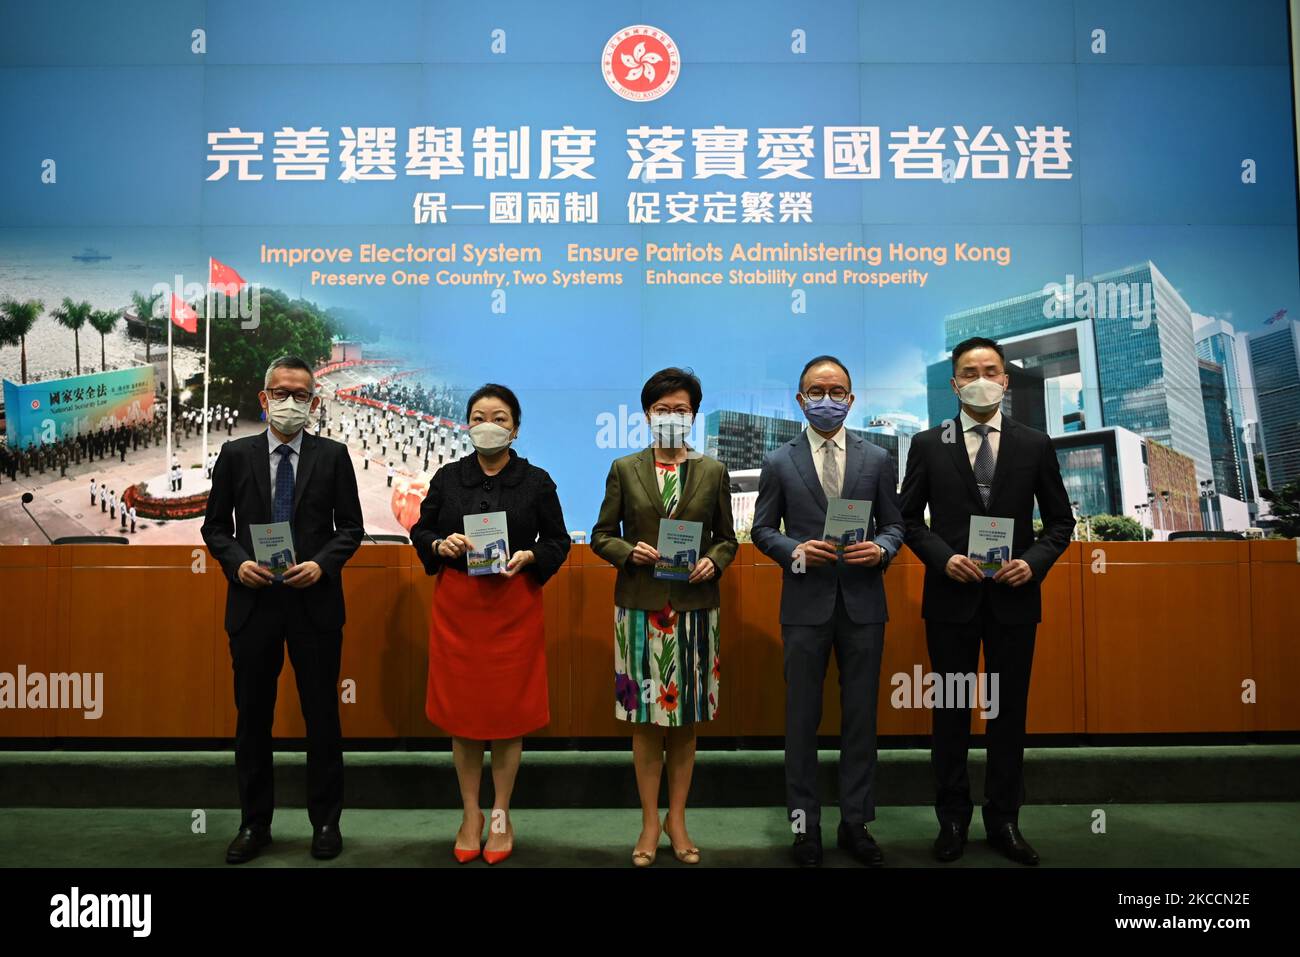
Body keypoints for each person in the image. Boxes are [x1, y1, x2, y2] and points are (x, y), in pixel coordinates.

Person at [900, 336, 1074, 866]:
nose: (980, 378)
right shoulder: (930, 444)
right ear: (955, 383)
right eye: (969, 371)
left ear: (1005, 380)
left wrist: (1035, 562)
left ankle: (1005, 821)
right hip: (951, 598)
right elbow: (906, 520)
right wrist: (941, 557)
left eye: (990, 370)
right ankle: (952, 820)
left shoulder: (1034, 443)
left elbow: (1061, 522)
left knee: (1009, 715)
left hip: (1013, 600)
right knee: (950, 712)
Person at [201, 355, 364, 864]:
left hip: (313, 604)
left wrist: (322, 565)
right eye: (281, 392)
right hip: (253, 605)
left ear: (314, 402)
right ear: (263, 397)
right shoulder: (234, 453)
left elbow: (350, 528)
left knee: (322, 718)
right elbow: (215, 529)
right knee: (253, 719)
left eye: (300, 394)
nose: (290, 403)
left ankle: (325, 823)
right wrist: (236, 563)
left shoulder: (334, 456)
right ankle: (254, 824)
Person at [751, 356, 904, 868]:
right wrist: (794, 549)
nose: (827, 399)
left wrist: (881, 549)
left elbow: (897, 525)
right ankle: (805, 828)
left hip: (864, 606)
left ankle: (856, 825)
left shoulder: (878, 459)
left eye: (837, 390)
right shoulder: (777, 462)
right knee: (801, 720)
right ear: (800, 399)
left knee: (861, 720)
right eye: (816, 391)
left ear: (852, 399)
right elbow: (762, 530)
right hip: (804, 605)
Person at [409, 383, 569, 864]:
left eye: (499, 417)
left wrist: (531, 554)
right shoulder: (448, 477)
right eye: (479, 415)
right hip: (459, 606)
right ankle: (470, 813)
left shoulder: (537, 480)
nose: (488, 424)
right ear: (466, 424)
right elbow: (422, 528)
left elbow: (558, 541)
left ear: (515, 428)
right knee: (464, 716)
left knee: (506, 716)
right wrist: (439, 546)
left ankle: (500, 812)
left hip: (513, 604)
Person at [591, 368, 738, 867]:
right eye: (662, 409)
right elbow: (601, 534)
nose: (671, 417)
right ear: (647, 414)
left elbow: (727, 539)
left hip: (696, 610)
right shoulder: (624, 468)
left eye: (680, 409)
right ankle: (649, 822)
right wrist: (629, 551)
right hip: (640, 609)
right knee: (646, 723)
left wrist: (713, 561)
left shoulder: (714, 471)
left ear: (693, 416)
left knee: (686, 720)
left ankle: (677, 819)